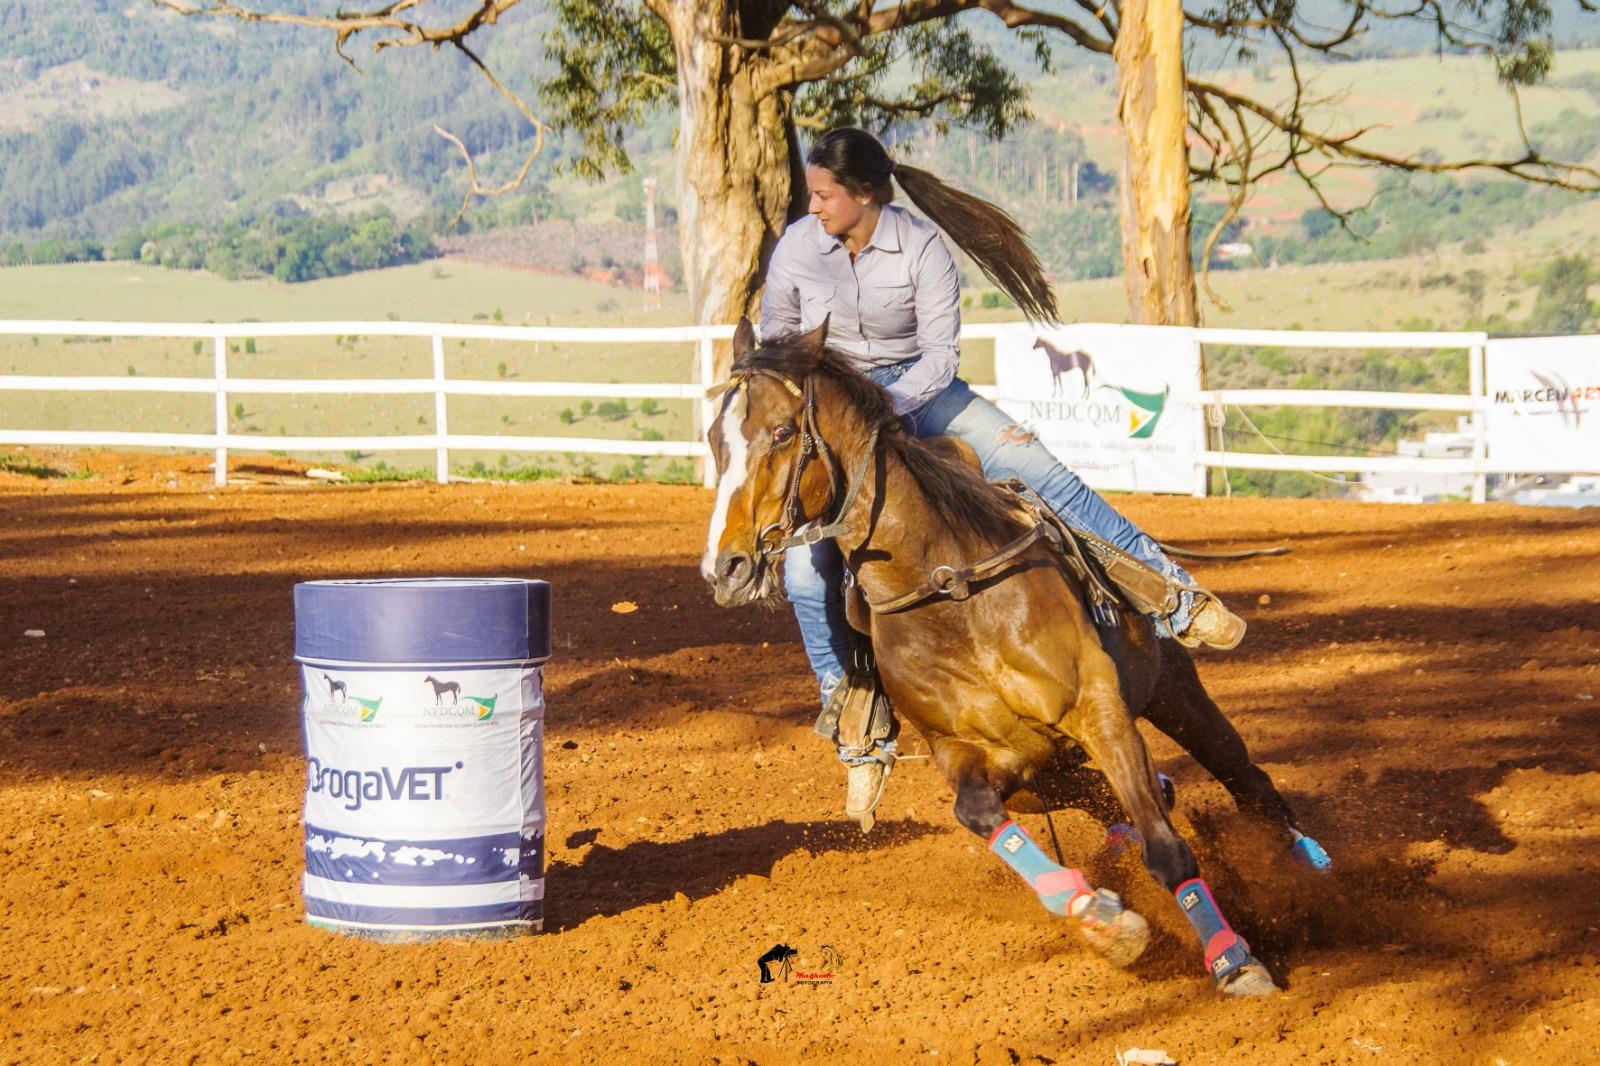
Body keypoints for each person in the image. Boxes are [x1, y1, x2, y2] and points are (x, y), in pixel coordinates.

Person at [758, 128, 1245, 825]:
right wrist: (835, 416)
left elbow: (937, 357)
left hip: (920, 396)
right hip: (833, 416)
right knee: (806, 574)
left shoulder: (921, 247)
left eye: (825, 194)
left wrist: (882, 410)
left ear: (863, 195)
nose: (814, 207)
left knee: (1038, 470)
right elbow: (780, 345)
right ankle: (855, 722)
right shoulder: (801, 248)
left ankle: (1174, 594)